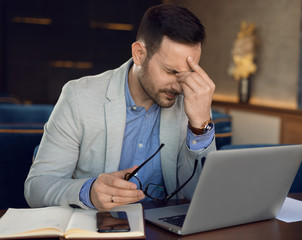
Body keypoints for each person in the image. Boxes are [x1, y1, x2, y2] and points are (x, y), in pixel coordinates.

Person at [25, 4, 216, 211]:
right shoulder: (79, 96)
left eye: (188, 74)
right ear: (139, 54)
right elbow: (36, 188)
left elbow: (201, 196)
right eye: (170, 71)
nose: (180, 85)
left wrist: (199, 125)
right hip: (99, 228)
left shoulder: (195, 102)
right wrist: (88, 191)